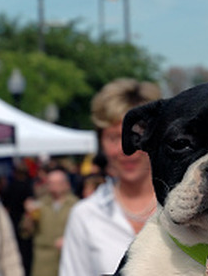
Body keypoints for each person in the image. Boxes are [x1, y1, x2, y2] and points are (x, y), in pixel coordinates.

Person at [59, 79, 161, 276]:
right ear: (101, 142)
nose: (125, 150)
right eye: (114, 137)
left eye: (135, 136)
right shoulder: (86, 215)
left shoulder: (185, 208)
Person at [21, 167, 79, 276]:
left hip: (69, 259)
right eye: (50, 183)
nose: (53, 186)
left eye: (57, 183)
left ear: (66, 184)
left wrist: (69, 240)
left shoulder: (76, 205)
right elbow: (26, 232)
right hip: (44, 261)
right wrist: (29, 216)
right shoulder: (39, 205)